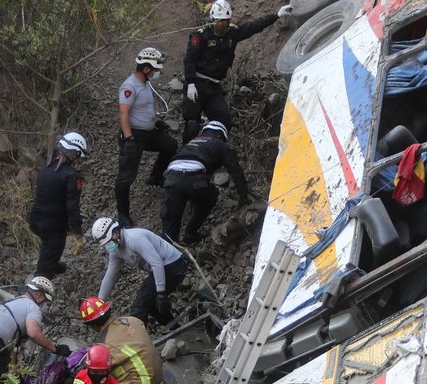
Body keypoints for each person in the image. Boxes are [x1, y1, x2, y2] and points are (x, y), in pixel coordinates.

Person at [182, 0, 294, 143]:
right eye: (219, 21)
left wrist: (277, 15)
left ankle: (212, 151)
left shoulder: (232, 33)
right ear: (212, 19)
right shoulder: (200, 36)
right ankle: (182, 156)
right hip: (197, 85)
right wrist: (191, 83)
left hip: (213, 88)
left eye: (225, 21)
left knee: (223, 123)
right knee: (192, 125)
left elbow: (254, 26)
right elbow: (189, 60)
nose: (222, 24)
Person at [0, 277, 71, 384]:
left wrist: (18, 378)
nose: (43, 305)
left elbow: (9, 351)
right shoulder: (32, 307)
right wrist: (55, 349)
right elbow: (34, 333)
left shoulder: (13, 302)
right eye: (45, 301)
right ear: (39, 296)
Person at [160, 120, 249, 245]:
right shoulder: (219, 143)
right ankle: (190, 233)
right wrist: (243, 197)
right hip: (194, 181)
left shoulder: (190, 143)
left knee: (170, 221)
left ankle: (168, 254)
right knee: (210, 196)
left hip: (172, 180)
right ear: (221, 135)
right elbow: (236, 171)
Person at [116, 47, 177, 228]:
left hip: (147, 133)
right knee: (126, 177)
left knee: (170, 146)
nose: (157, 72)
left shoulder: (145, 83)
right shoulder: (130, 86)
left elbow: (142, 109)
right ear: (145, 68)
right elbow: (123, 114)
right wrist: (129, 140)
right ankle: (123, 215)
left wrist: (155, 123)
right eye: (155, 69)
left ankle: (156, 176)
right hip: (134, 135)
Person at [90, 217, 188, 325]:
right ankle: (175, 328)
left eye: (109, 242)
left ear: (116, 232)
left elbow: (157, 263)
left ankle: (137, 339)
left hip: (173, 265)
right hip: (160, 268)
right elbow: (110, 275)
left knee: (139, 307)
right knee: (151, 304)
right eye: (106, 244)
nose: (108, 246)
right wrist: (100, 303)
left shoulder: (134, 239)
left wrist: (161, 293)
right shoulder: (115, 250)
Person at [80, 296, 164, 384]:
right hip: (158, 379)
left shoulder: (105, 345)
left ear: (92, 325)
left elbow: (96, 377)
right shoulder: (133, 320)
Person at [29, 131, 88, 278]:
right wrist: (78, 233)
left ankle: (53, 263)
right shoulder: (71, 175)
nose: (78, 160)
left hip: (36, 221)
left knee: (49, 248)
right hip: (53, 227)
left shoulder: (46, 169)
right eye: (79, 156)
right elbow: (72, 208)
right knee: (48, 259)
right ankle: (37, 290)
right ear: (74, 154)